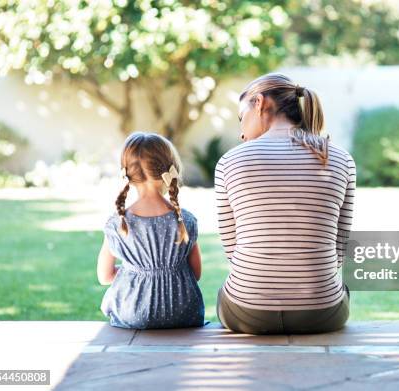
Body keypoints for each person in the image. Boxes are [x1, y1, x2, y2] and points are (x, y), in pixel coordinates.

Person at [214, 72, 356, 334]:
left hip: (247, 313)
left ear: (259, 103)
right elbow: (339, 247)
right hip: (321, 313)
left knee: (226, 292)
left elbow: (232, 251)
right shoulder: (340, 158)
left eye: (240, 117)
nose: (241, 133)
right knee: (341, 290)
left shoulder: (229, 161)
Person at [96, 131, 205, 329]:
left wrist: (134, 271)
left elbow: (104, 277)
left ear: (127, 174)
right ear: (170, 170)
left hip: (133, 314)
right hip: (183, 312)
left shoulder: (117, 223)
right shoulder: (185, 220)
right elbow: (196, 273)